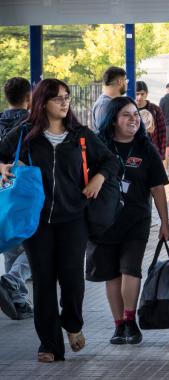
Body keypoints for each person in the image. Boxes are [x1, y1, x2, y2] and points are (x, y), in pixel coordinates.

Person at [0, 78, 118, 363]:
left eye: (66, 97)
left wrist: (98, 180)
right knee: (42, 282)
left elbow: (111, 161)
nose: (65, 102)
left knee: (72, 280)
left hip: (73, 218)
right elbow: (1, 156)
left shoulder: (80, 134)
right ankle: (49, 345)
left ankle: (73, 323)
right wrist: (4, 166)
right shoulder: (25, 133)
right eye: (58, 98)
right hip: (36, 221)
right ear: (42, 102)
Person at [87, 96, 169, 345]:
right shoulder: (98, 146)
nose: (133, 119)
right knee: (112, 274)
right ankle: (118, 325)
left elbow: (157, 188)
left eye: (135, 115)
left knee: (130, 269)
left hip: (136, 221)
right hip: (103, 223)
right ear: (113, 120)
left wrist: (165, 223)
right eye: (126, 115)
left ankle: (130, 320)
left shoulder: (146, 149)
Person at [0, 77, 34, 320]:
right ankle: (13, 280)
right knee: (36, 242)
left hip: (2, 188)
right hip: (25, 187)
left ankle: (18, 299)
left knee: (11, 241)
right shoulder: (31, 123)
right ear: (29, 97)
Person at [135, 81, 166, 160]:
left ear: (147, 93)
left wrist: (161, 155)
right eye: (137, 94)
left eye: (142, 94)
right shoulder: (129, 109)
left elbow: (162, 132)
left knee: (152, 172)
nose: (139, 97)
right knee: (135, 171)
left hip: (151, 150)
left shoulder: (155, 109)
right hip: (134, 151)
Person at [92, 66, 128, 132]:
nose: (127, 83)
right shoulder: (104, 105)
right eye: (126, 80)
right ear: (120, 82)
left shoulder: (111, 102)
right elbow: (104, 136)